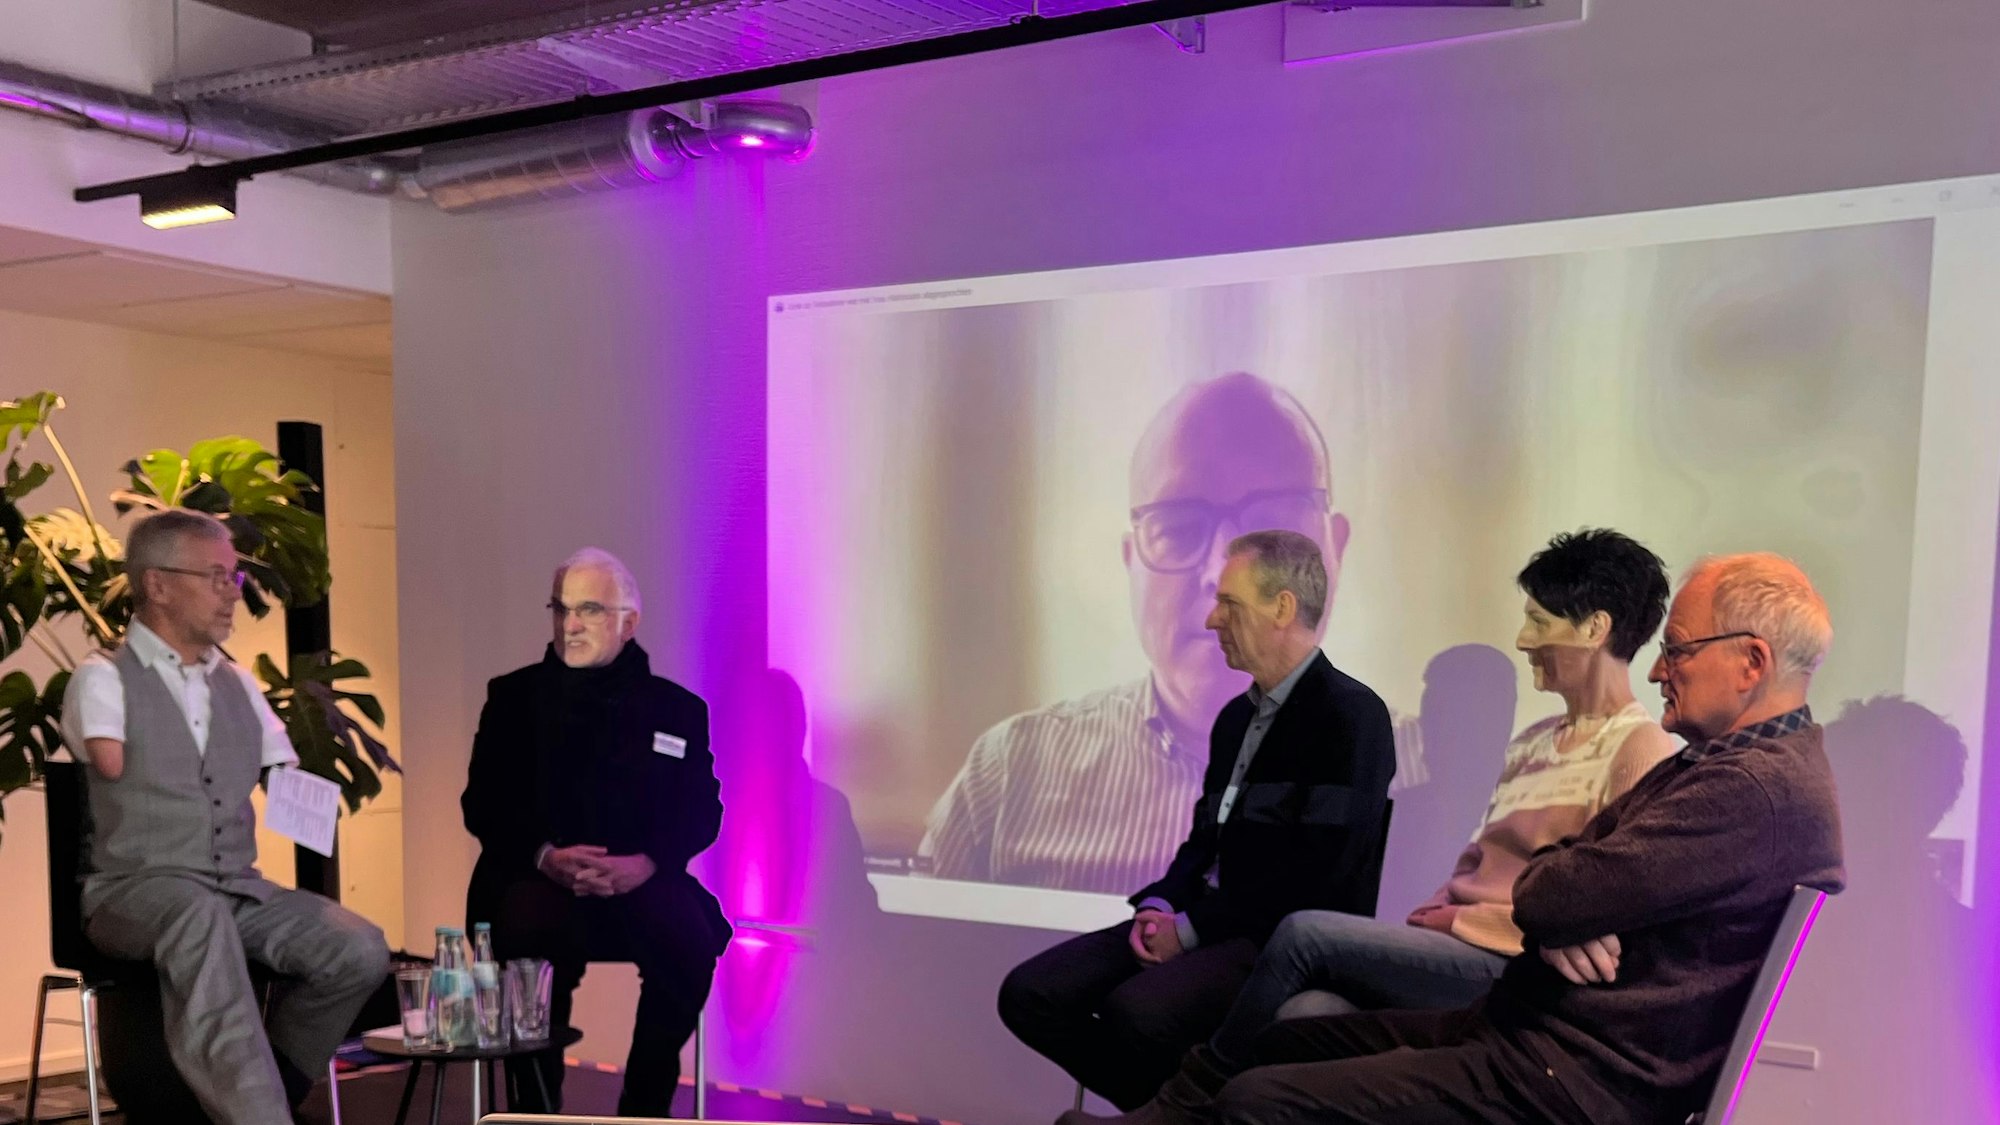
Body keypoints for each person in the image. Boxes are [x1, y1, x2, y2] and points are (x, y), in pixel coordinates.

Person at [1079, 552, 1845, 1125]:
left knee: (1258, 1093)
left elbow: (1553, 890)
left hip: (1561, 1074)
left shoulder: (1752, 788)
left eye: (1678, 650)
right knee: (1287, 1041)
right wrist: (1561, 906)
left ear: (1751, 662)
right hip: (1530, 1030)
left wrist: (1561, 904)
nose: (1660, 672)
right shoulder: (1730, 768)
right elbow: (1554, 878)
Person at [920, 372, 1420, 894]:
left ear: (1334, 549)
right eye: (1178, 529)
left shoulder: (1439, 773)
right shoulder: (1007, 777)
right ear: (1130, 561)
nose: (1225, 576)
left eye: (1273, 528)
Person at [998, 531, 1397, 1111]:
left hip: (1275, 940)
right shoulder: (1236, 718)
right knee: (1031, 994)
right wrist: (1161, 904)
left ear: (1282, 607)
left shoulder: (1352, 717)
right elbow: (1206, 840)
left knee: (1136, 1013)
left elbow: (1318, 877)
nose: (1212, 620)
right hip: (1204, 920)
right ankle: (1180, 1113)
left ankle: (1175, 1112)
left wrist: (1191, 930)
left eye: (1228, 604)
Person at [59, 509, 389, 1125]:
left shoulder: (240, 685)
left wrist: (311, 807)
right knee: (197, 916)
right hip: (133, 893)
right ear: (156, 584)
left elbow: (285, 781)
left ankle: (274, 1088)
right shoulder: (103, 678)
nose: (231, 593)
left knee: (358, 948)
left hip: (235, 890)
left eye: (233, 578)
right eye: (215, 576)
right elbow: (104, 762)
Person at [461, 547, 732, 1116]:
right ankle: (535, 1113)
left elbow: (701, 811)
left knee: (689, 939)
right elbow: (484, 802)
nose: (570, 624)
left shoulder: (677, 709)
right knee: (527, 942)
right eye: (560, 609)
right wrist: (544, 855)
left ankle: (643, 1110)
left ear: (628, 623)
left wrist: (649, 862)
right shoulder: (512, 697)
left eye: (587, 609)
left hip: (641, 877)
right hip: (536, 876)